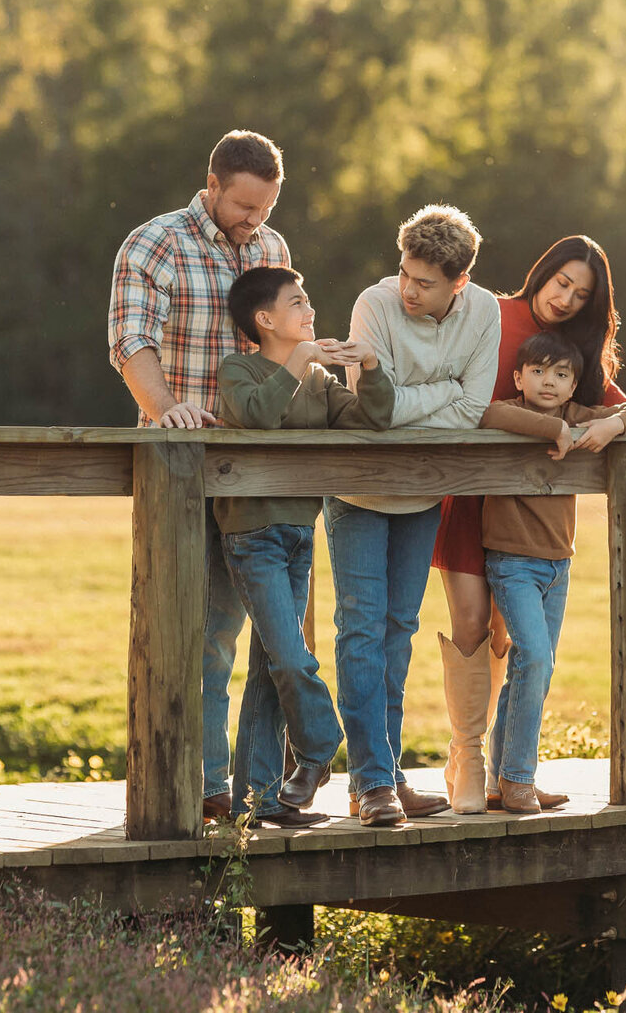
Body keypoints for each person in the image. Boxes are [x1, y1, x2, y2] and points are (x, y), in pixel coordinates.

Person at [430, 235, 626, 812]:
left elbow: (617, 405)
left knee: (512, 640)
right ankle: (467, 759)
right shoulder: (489, 312)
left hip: (534, 515)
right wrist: (551, 429)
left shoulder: (569, 351)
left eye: (581, 295)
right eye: (562, 283)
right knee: (472, 622)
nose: (566, 299)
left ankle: (506, 774)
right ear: (543, 272)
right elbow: (466, 394)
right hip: (472, 494)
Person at [106, 129, 288, 821]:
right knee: (189, 632)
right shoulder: (155, 243)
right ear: (211, 185)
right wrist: (169, 410)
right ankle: (199, 783)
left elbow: (281, 346)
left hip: (256, 471)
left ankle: (256, 789)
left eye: (265, 207)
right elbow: (131, 341)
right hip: (180, 470)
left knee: (264, 635)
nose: (254, 220)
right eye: (243, 205)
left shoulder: (272, 249)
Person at [328, 204, 502, 826]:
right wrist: (445, 391)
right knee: (361, 631)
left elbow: (473, 409)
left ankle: (386, 775)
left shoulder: (484, 313)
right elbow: (371, 409)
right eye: (404, 272)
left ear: (460, 283)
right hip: (357, 492)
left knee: (398, 631)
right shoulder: (373, 305)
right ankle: (372, 781)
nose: (408, 288)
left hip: (424, 494)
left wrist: (423, 400)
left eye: (424, 283)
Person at [216, 265, 393, 827]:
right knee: (291, 659)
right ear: (265, 319)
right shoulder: (239, 369)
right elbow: (258, 418)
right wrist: (302, 360)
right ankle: (319, 745)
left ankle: (257, 802)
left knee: (272, 667)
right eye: (297, 303)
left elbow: (373, 419)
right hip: (252, 534)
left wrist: (369, 366)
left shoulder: (319, 380)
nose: (310, 309)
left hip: (299, 534)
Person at [476, 330, 626, 812]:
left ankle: (504, 779)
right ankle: (517, 779)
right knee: (535, 659)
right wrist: (553, 430)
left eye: (560, 374)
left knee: (532, 666)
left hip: (559, 563)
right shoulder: (510, 411)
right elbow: (488, 414)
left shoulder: (577, 415)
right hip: (512, 560)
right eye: (537, 371)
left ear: (574, 386)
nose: (548, 382)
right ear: (518, 377)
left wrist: (612, 426)